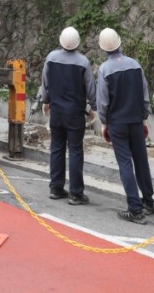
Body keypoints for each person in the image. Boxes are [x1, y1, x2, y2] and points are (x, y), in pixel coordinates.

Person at [96, 27, 154, 224]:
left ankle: (135, 209)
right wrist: (144, 117)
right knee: (141, 161)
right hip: (136, 121)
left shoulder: (105, 70)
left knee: (125, 164)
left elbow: (102, 102)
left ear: (103, 48)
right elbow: (144, 94)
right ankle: (148, 201)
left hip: (117, 123)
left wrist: (104, 123)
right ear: (119, 43)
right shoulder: (135, 65)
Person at [41, 25, 97, 205]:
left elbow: (46, 83)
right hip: (75, 113)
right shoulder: (83, 62)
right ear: (78, 43)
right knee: (75, 151)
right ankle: (76, 193)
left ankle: (56, 188)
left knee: (56, 148)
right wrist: (94, 107)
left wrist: (45, 101)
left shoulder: (51, 58)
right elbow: (90, 87)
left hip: (56, 111)